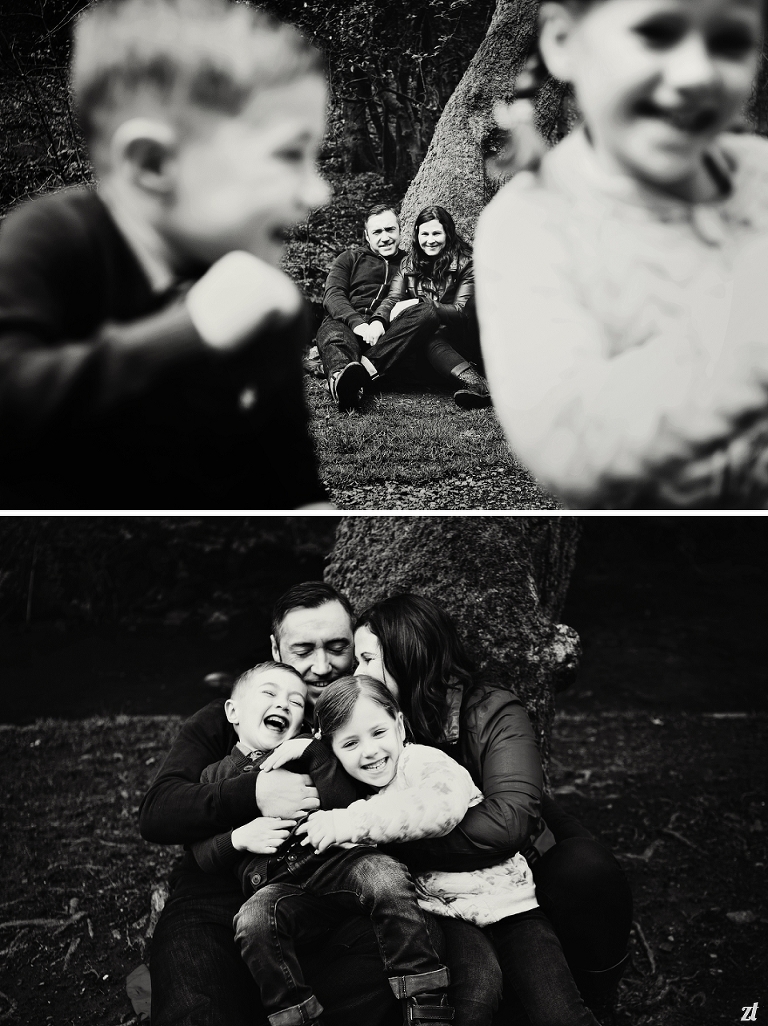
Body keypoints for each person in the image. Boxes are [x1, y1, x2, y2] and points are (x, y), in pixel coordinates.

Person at [0, 0, 330, 509]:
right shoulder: (47, 242)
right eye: (289, 154)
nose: (318, 192)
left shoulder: (261, 297)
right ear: (152, 163)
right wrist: (191, 331)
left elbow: (287, 479)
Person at [475, 0, 768, 509]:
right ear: (564, 43)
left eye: (730, 42)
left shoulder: (760, 177)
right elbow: (571, 447)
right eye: (656, 33)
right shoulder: (530, 225)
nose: (698, 72)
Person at [140, 582, 470, 1026]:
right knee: (195, 1005)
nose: (321, 666)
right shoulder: (234, 716)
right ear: (276, 648)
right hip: (217, 897)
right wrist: (253, 792)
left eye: (337, 646)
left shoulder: (369, 715)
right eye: (303, 650)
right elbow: (159, 811)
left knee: (410, 933)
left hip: (330, 889)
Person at [353, 593, 633, 1024]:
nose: (357, 672)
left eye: (368, 659)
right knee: (480, 986)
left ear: (405, 656)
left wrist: (397, 838)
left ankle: (600, 999)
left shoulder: (491, 710)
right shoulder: (374, 731)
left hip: (516, 875)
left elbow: (509, 821)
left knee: (583, 875)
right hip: (445, 897)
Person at [295, 674, 600, 1026]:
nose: (370, 751)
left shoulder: (425, 763)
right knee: (473, 997)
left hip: (511, 906)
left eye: (378, 733)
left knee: (558, 1009)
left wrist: (350, 824)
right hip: (449, 916)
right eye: (350, 744)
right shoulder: (358, 794)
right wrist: (309, 751)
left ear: (398, 724)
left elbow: (436, 810)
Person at [192, 665, 453, 1026]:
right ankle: (297, 1016)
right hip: (279, 887)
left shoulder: (310, 751)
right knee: (252, 922)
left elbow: (343, 802)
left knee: (384, 876)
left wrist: (314, 754)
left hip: (337, 864)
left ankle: (424, 997)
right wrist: (238, 838)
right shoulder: (213, 777)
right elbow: (202, 853)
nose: (282, 705)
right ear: (232, 711)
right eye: (269, 694)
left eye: (295, 700)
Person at [372, 205, 491, 409]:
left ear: (448, 233)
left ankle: (477, 384)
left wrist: (422, 304)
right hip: (427, 342)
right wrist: (378, 320)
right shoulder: (409, 264)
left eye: (436, 233)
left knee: (430, 331)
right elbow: (392, 299)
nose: (430, 240)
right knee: (421, 335)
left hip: (461, 338)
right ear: (417, 234)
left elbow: (462, 312)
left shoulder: (466, 263)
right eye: (424, 234)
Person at [316, 204, 404, 411]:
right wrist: (358, 324)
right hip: (347, 323)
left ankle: (358, 371)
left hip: (386, 330)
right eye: (377, 232)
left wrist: (380, 323)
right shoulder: (349, 258)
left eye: (390, 229)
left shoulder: (410, 263)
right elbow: (333, 294)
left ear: (400, 230)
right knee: (333, 335)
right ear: (367, 236)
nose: (385, 237)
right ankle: (342, 382)